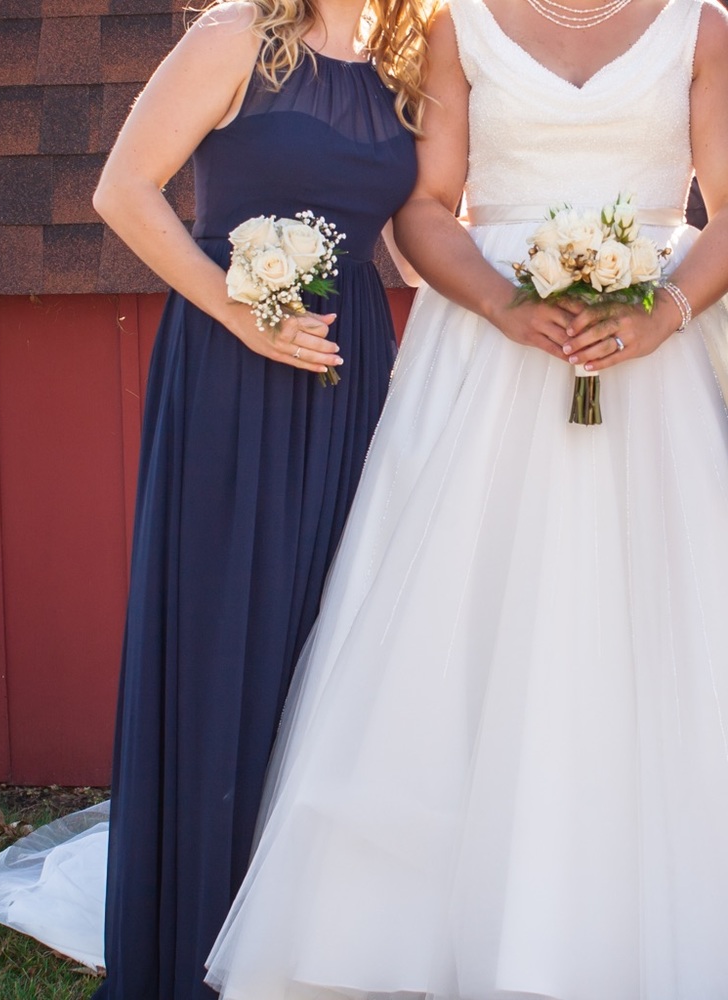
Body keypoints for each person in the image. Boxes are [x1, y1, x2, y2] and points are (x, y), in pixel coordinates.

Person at [204, 0, 728, 997]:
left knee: (652, 632)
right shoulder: (462, 25)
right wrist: (505, 304)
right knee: (455, 632)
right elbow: (427, 207)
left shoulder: (699, 28)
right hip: (490, 348)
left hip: (649, 361)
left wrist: (661, 311)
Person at [0, 0, 429, 997]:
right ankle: (192, 929)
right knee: (226, 636)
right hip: (232, 374)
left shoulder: (403, 69)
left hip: (349, 386)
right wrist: (241, 311)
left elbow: (419, 231)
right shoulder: (232, 41)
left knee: (326, 642)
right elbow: (122, 190)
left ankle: (296, 928)